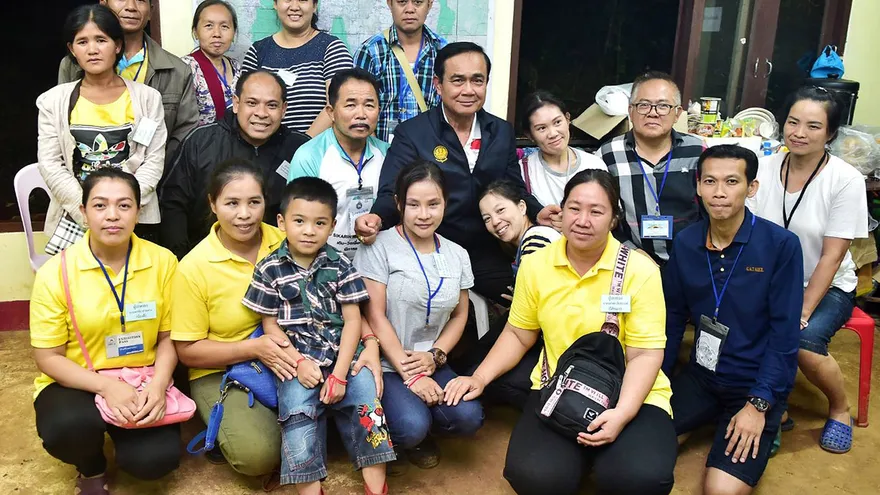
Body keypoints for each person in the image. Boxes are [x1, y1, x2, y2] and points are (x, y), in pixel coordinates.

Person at [445, 169, 677, 495]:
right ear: (562, 210)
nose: (582, 220)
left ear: (613, 219)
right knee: (535, 477)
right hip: (559, 387)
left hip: (632, 392)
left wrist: (622, 414)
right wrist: (479, 377)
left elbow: (644, 354)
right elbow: (519, 333)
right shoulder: (537, 265)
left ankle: (606, 459)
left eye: (596, 211)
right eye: (574, 208)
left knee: (638, 479)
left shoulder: (641, 271)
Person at [355, 42, 555, 306]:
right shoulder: (413, 133)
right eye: (458, 80)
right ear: (438, 85)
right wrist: (376, 218)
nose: (468, 90)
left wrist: (538, 211)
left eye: (477, 80)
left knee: (525, 297)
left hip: (485, 250)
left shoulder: (501, 131)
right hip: (431, 247)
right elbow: (393, 190)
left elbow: (512, 187)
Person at [30, 168, 181, 495]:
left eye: (124, 205)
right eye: (100, 205)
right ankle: (91, 466)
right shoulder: (55, 273)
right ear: (83, 212)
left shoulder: (163, 262)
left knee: (155, 460)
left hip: (142, 378)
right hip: (78, 379)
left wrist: (159, 384)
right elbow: (48, 356)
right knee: (67, 429)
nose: (112, 215)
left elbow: (168, 336)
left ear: (138, 212)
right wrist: (106, 386)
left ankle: (129, 440)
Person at [663, 145, 804, 494]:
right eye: (710, 181)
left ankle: (772, 416)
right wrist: (657, 382)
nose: (719, 192)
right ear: (698, 186)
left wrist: (760, 403)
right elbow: (672, 319)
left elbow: (785, 335)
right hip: (701, 376)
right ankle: (709, 417)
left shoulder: (781, 245)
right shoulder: (686, 242)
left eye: (731, 181)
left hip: (753, 383)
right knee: (645, 445)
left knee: (721, 491)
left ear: (751, 188)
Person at [242, 177, 394, 495]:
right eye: (299, 221)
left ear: (332, 225)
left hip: (345, 358)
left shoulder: (341, 265)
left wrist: (340, 374)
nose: (309, 231)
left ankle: (376, 488)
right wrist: (298, 363)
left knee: (369, 407)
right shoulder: (269, 269)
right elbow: (270, 326)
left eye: (320, 223)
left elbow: (353, 321)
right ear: (281, 221)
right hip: (297, 361)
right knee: (297, 414)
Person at [747, 86, 868, 454]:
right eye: (793, 122)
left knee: (803, 343)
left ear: (830, 133)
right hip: (769, 278)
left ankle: (839, 409)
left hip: (827, 285)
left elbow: (832, 256)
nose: (799, 133)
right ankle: (774, 407)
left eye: (813, 126)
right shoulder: (762, 167)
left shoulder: (846, 180)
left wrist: (800, 312)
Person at [355, 160, 484, 470]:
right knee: (411, 426)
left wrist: (436, 356)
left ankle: (423, 421)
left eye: (433, 204)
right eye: (413, 204)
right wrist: (411, 374)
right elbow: (374, 315)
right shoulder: (379, 247)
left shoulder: (457, 254)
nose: (424, 214)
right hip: (388, 362)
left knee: (470, 417)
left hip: (430, 360)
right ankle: (404, 433)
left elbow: (459, 316)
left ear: (445, 203)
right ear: (399, 204)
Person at [39, 4, 167, 245]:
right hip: (77, 217)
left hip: (136, 217)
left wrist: (124, 208)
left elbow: (153, 159)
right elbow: (51, 164)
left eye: (101, 40)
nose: (92, 50)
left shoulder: (148, 99)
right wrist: (89, 212)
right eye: (82, 42)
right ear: (72, 49)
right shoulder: (52, 101)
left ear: (117, 45)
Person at [160, 70, 310, 259]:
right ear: (236, 104)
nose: (261, 113)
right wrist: (182, 259)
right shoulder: (201, 142)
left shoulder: (301, 149)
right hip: (207, 261)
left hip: (282, 262)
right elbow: (172, 203)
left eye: (272, 105)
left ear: (284, 109)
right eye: (252, 103)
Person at [59, 0, 198, 164]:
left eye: (141, 0)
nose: (131, 7)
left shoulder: (177, 71)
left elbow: (185, 133)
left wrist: (150, 168)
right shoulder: (73, 66)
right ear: (103, 3)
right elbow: (61, 128)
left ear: (151, 10)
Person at [596, 71, 704, 266]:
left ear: (677, 113)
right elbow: (602, 217)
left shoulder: (698, 151)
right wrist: (633, 254)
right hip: (629, 261)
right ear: (630, 110)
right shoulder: (608, 155)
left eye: (663, 106)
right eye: (643, 105)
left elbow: (713, 209)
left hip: (693, 258)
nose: (653, 113)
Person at [473, 179, 562, 409]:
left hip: (558, 342)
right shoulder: (531, 239)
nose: (495, 222)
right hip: (548, 336)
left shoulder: (536, 238)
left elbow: (536, 299)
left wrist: (523, 299)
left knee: (488, 376)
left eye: (500, 210)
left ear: (522, 207)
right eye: (487, 219)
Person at [288, 68, 388, 259]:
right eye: (350, 105)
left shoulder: (388, 154)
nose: (361, 114)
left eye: (369, 105)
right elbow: (298, 222)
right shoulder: (309, 156)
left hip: (378, 262)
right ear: (331, 112)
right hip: (323, 263)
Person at [241, 0, 354, 136]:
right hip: (266, 147)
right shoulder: (257, 51)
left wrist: (302, 144)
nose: (294, 7)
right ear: (275, 4)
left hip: (319, 146)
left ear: (314, 5)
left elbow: (339, 104)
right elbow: (244, 106)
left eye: (302, 0)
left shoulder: (332, 48)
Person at [353, 0, 447, 142]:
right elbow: (359, 109)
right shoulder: (370, 51)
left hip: (432, 150)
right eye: (402, 2)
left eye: (418, 2)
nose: (410, 9)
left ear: (429, 4)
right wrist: (376, 151)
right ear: (390, 3)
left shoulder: (443, 51)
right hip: (383, 150)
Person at [519, 91, 606, 211]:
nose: (553, 134)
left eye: (557, 122)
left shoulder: (594, 164)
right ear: (530, 135)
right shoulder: (523, 171)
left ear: (568, 119)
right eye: (542, 128)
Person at [181, 0, 241, 126]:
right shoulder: (185, 68)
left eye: (224, 26)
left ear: (234, 32)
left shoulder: (236, 67)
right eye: (209, 25)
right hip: (201, 138)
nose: (217, 34)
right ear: (195, 32)